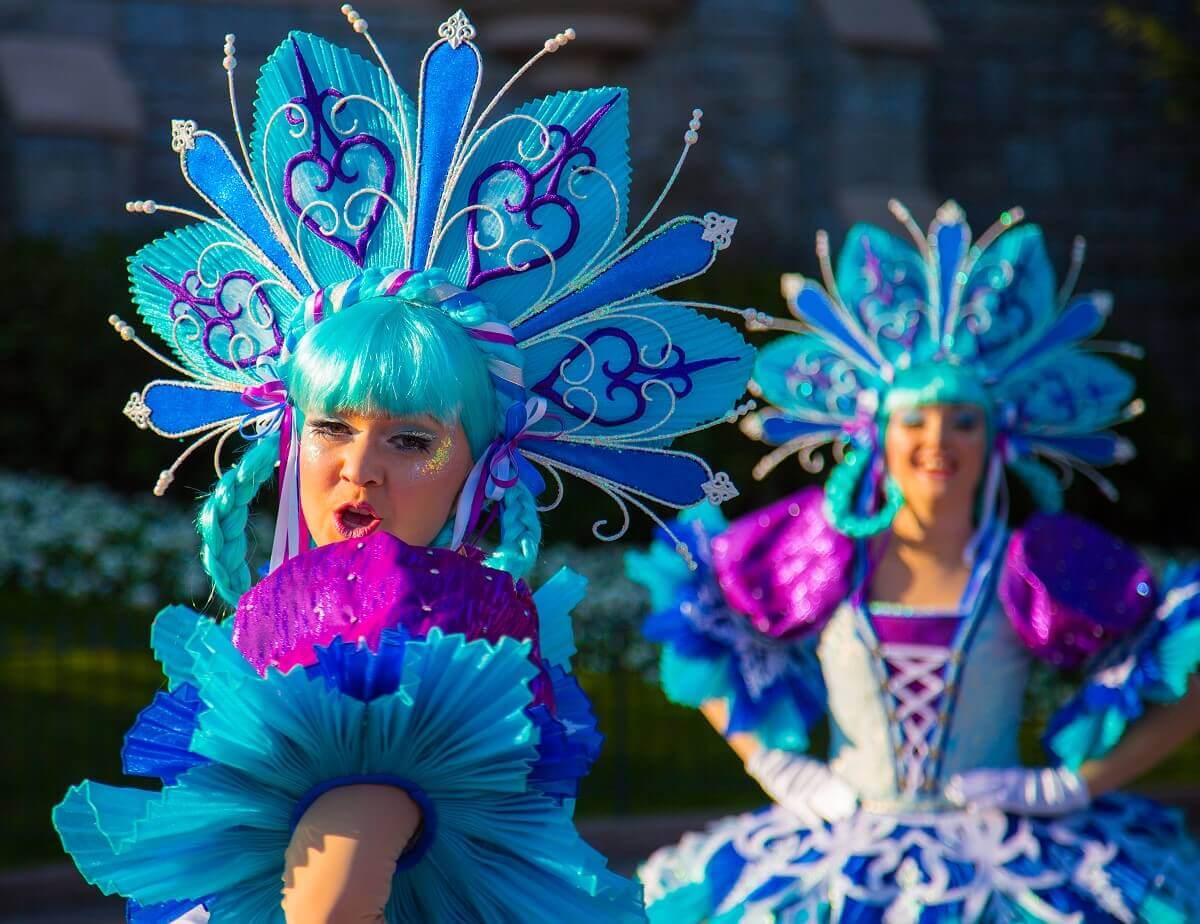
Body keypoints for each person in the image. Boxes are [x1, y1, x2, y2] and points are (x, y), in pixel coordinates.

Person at [52, 9, 757, 921]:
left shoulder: (397, 671)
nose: (358, 470)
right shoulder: (317, 643)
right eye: (331, 427)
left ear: (484, 466)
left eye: (411, 440)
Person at [628, 200, 1200, 922]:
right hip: (836, 852)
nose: (939, 441)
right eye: (916, 420)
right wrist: (767, 759)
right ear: (878, 436)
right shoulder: (822, 555)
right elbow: (694, 612)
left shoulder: (1039, 567)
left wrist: (1071, 787)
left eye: (964, 420)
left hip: (1002, 861)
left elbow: (1188, 671)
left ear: (998, 438)